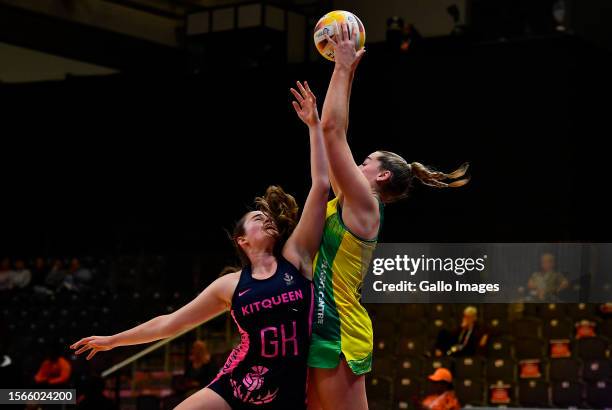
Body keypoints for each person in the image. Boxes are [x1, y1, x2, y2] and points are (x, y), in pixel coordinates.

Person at [71, 81, 329, 410]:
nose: (264, 217)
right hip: (238, 381)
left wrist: (313, 126)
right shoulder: (231, 285)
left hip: (289, 389)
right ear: (242, 239)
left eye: (267, 215)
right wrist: (114, 340)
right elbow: (170, 323)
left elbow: (321, 186)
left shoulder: (296, 258)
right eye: (255, 216)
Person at [307, 23, 469, 410]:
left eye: (365, 161)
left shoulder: (364, 204)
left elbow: (335, 130)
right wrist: (319, 118)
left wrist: (342, 68)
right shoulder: (348, 199)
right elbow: (333, 134)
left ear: (380, 176)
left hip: (340, 331)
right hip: (320, 327)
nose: (356, 162)